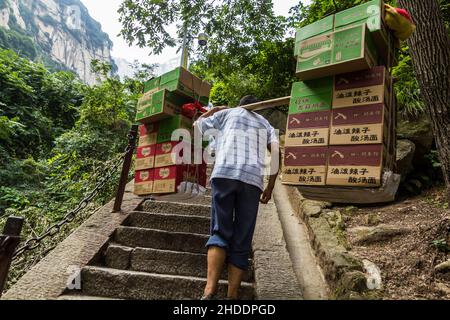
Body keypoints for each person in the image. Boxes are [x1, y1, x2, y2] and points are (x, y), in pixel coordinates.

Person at [194, 95, 281, 300]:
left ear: (239, 105)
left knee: (220, 232)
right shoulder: (264, 122)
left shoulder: (226, 114)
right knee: (242, 238)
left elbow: (197, 126)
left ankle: (209, 290)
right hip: (252, 181)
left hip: (224, 173)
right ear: (256, 108)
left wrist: (214, 110)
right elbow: (277, 153)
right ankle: (232, 296)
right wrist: (270, 187)